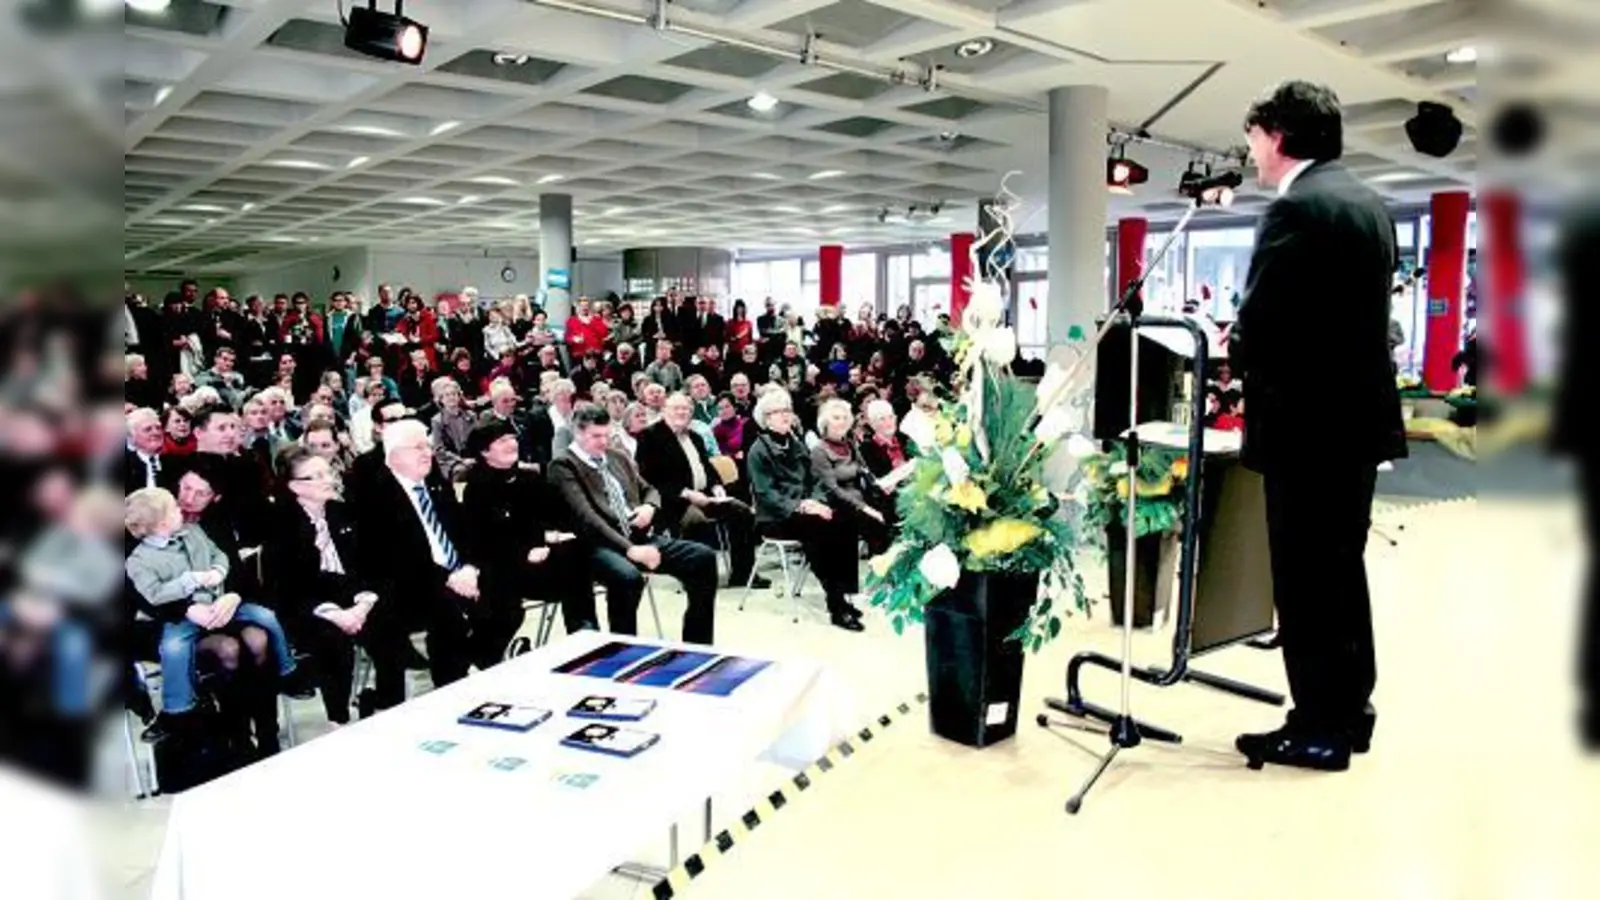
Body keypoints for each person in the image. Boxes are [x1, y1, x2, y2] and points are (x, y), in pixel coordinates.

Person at [1230, 80, 1406, 772]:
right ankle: (1349, 710)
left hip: (1306, 429)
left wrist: (1235, 352)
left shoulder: (1296, 207)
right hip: (1356, 427)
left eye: (1253, 140)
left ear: (1279, 136)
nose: (1250, 155)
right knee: (1341, 572)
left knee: (1304, 582)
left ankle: (1316, 727)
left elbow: (1263, 323)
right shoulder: (1367, 205)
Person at [349, 419, 523, 698]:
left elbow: (462, 528)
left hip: (455, 570)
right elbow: (396, 558)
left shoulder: (433, 481)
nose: (426, 452)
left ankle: (478, 663)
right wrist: (449, 578)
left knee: (507, 599)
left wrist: (469, 566)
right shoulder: (375, 496)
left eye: (427, 445)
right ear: (393, 456)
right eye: (417, 447)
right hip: (408, 581)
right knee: (449, 619)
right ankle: (450, 689)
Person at [124, 488, 314, 738]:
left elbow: (219, 554)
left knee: (265, 617)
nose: (181, 509)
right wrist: (188, 583)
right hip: (182, 616)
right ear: (160, 524)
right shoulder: (138, 560)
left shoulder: (194, 532)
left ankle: (287, 672)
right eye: (174, 509)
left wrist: (218, 571)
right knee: (173, 648)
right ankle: (177, 709)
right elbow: (153, 594)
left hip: (220, 601)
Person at [548, 406, 719, 644]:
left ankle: (697, 643)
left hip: (636, 533)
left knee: (703, 558)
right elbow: (587, 518)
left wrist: (650, 507)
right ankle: (622, 648)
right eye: (596, 436)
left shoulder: (617, 456)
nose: (603, 441)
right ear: (578, 433)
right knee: (627, 578)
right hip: (597, 544)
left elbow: (649, 489)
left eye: (606, 435)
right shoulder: (563, 465)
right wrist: (631, 550)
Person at [263, 446, 403, 723]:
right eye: (316, 476)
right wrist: (337, 614)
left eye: (327, 471)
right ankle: (338, 719)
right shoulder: (281, 523)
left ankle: (389, 703)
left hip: (352, 595)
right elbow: (291, 587)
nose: (328, 479)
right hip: (307, 605)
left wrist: (363, 604)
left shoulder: (343, 511)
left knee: (390, 621)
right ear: (295, 487)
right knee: (331, 639)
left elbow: (368, 564)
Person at [745, 389, 864, 632]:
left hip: (806, 508)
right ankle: (836, 604)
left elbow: (815, 480)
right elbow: (766, 494)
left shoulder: (795, 444)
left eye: (787, 410)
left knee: (846, 520)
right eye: (778, 412)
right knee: (819, 529)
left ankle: (845, 592)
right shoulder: (758, 450)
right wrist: (801, 506)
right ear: (766, 418)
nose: (785, 415)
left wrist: (817, 502)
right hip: (775, 516)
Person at [459, 421, 590, 636]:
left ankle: (583, 630)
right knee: (572, 565)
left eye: (513, 438)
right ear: (484, 451)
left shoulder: (530, 478)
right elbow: (486, 539)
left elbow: (557, 514)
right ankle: (582, 629)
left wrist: (549, 536)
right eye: (502, 441)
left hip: (547, 553)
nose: (512, 444)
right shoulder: (477, 489)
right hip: (507, 564)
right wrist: (529, 548)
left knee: (579, 553)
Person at [635, 393, 763, 588]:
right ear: (665, 410)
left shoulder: (695, 436)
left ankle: (743, 575)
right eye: (676, 408)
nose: (681, 412)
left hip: (705, 495)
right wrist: (686, 493)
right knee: (697, 521)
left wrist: (717, 486)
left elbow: (707, 467)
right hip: (673, 501)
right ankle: (698, 578)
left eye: (685, 409)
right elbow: (650, 479)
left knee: (742, 512)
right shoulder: (650, 436)